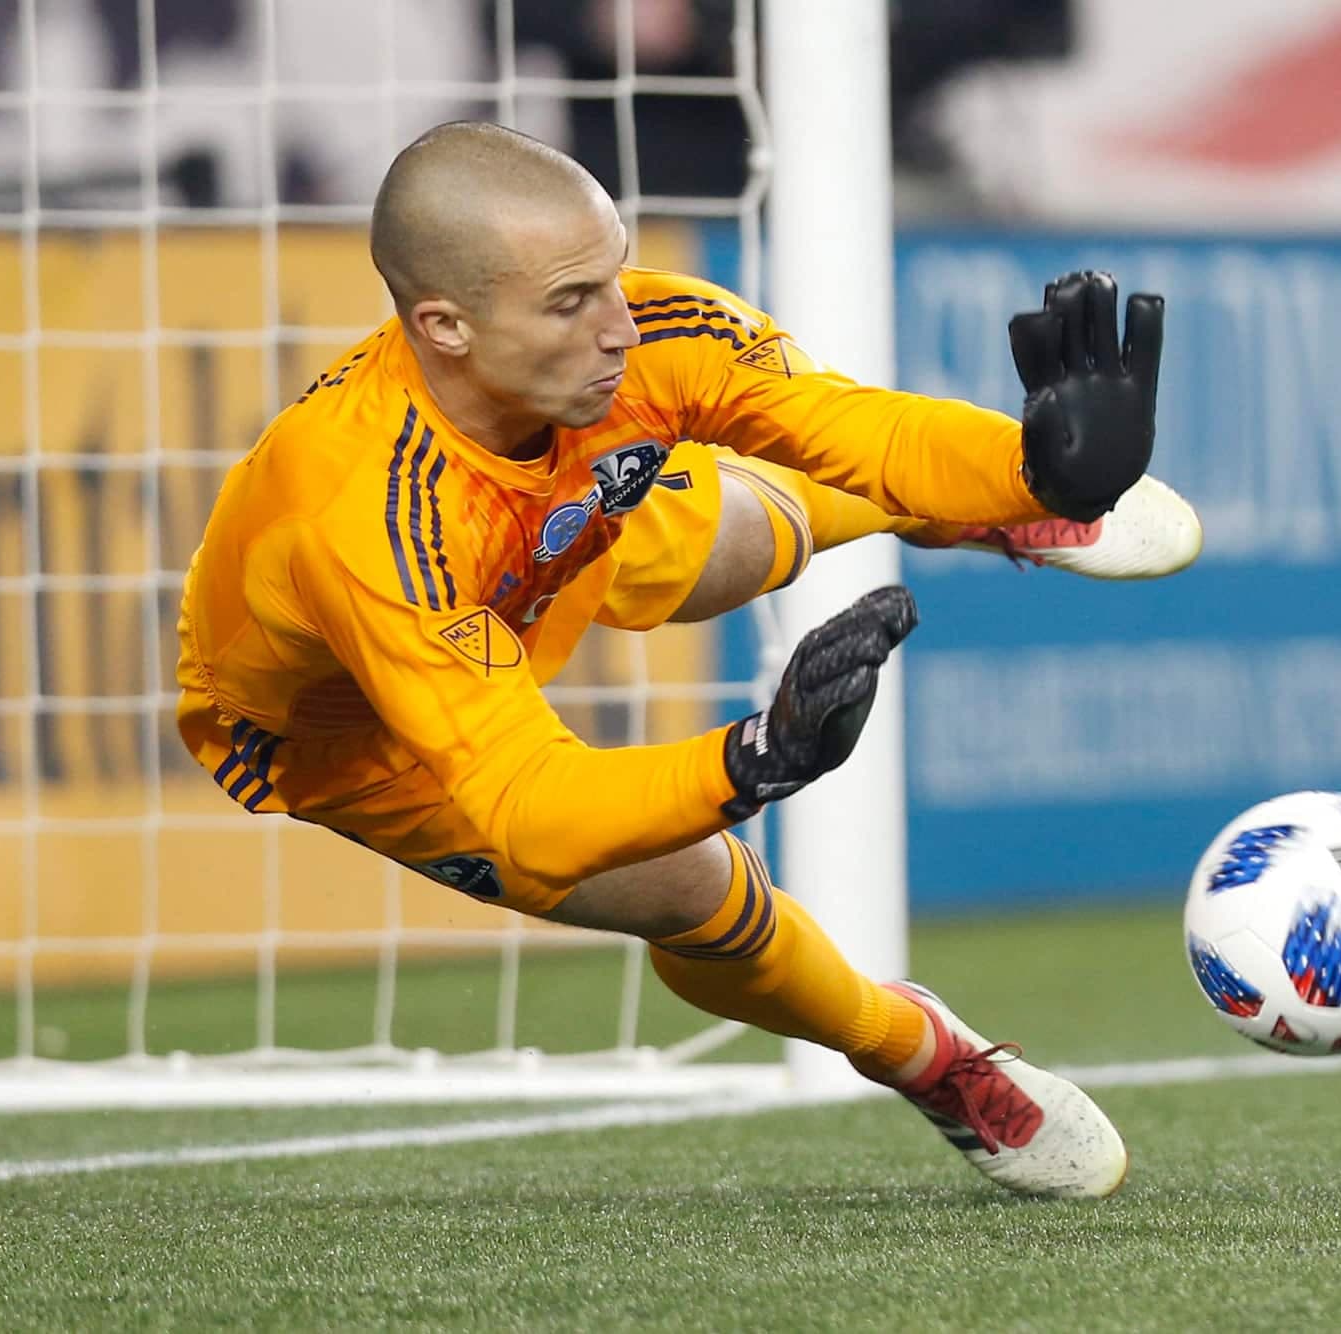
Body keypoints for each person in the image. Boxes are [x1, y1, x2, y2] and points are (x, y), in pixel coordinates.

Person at [174, 121, 1195, 1200]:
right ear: (444, 325)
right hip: (355, 722)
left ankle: (988, 512)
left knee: (741, 532)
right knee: (688, 886)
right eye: (571, 302)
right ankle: (922, 1052)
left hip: (539, 541)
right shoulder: (358, 517)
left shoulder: (640, 329)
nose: (618, 326)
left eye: (610, 274)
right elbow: (530, 803)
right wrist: (754, 757)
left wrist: (1030, 465)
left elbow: (839, 423)